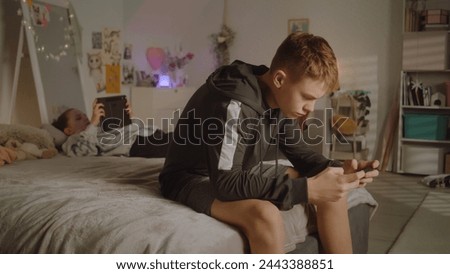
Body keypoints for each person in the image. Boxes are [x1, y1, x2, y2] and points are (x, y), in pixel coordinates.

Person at [159, 32, 379, 254]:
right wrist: (305, 190)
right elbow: (225, 183)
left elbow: (301, 154)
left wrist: (338, 169)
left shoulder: (280, 101)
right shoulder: (234, 105)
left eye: (315, 100)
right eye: (307, 97)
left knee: (330, 185)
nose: (310, 108)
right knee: (265, 215)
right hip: (191, 177)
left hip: (238, 169)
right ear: (280, 79)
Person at [52, 99, 170, 158]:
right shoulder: (73, 140)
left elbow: (132, 128)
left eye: (84, 115)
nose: (85, 118)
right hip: (137, 144)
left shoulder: (99, 129)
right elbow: (84, 151)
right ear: (68, 130)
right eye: (78, 118)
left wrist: (131, 116)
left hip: (151, 133)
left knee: (183, 136)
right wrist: (92, 124)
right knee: (179, 148)